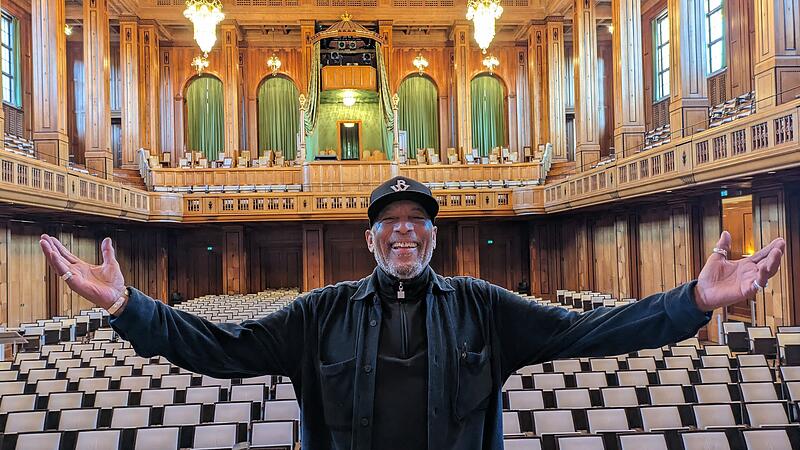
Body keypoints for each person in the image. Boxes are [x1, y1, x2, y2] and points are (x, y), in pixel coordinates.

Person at [39, 176, 786, 450]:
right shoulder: (317, 314)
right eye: (389, 222)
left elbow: (595, 332)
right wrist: (130, 307)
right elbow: (217, 346)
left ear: (435, 234)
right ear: (369, 237)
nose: (404, 231)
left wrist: (692, 303)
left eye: (418, 221)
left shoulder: (486, 311)